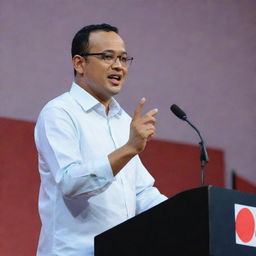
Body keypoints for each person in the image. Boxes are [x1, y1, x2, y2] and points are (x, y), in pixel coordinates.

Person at [34, 23, 167, 256]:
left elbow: (140, 194)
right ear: (79, 63)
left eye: (123, 59)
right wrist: (128, 149)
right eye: (107, 57)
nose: (118, 66)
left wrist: (190, 213)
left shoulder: (123, 121)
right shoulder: (59, 112)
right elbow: (71, 182)